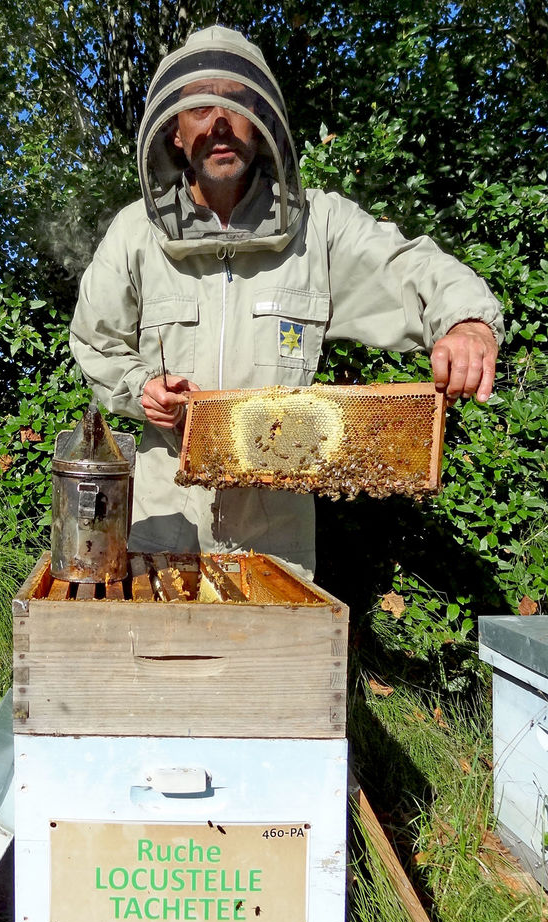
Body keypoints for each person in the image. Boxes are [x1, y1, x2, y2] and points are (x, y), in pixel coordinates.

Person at [69, 25, 502, 577]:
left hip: (278, 545)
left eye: (236, 103)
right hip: (165, 525)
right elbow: (94, 342)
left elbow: (411, 267)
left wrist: (467, 323)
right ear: (174, 133)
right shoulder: (135, 233)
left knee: (278, 665)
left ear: (263, 120)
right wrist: (140, 389)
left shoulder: (318, 227)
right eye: (200, 109)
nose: (219, 124)